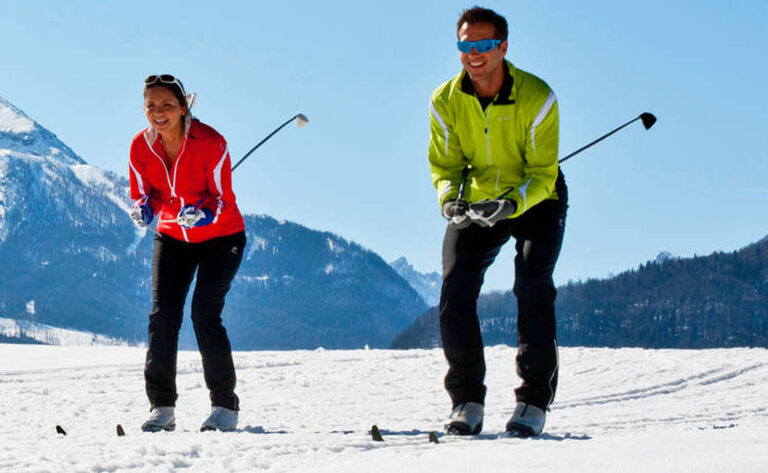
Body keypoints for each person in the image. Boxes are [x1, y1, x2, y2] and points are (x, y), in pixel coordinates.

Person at [428, 7, 568, 436]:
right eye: (465, 46)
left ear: (503, 47)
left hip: (537, 198)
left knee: (531, 283)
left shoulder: (537, 98)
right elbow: (445, 166)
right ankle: (467, 399)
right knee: (455, 283)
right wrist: (450, 199)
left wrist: (511, 204)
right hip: (478, 201)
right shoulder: (445, 101)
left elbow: (543, 174)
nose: (474, 54)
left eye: (484, 45)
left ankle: (532, 401)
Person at [129, 74, 246, 432]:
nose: (158, 113)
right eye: (151, 106)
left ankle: (225, 407)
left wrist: (205, 212)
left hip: (221, 237)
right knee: (163, 316)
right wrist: (143, 209)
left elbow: (225, 199)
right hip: (173, 237)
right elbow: (141, 193)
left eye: (167, 105)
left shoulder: (211, 143)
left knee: (203, 315)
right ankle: (162, 408)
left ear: (183, 107)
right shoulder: (139, 147)